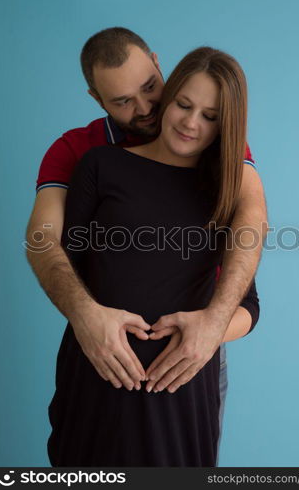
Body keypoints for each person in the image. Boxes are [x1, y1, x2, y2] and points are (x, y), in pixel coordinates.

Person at [25, 28, 265, 464]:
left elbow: (251, 222)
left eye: (151, 87)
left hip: (193, 361)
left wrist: (212, 328)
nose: (147, 107)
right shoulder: (83, 153)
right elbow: (46, 243)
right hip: (99, 357)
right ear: (97, 99)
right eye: (122, 101)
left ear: (159, 65)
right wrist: (85, 316)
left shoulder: (217, 156)